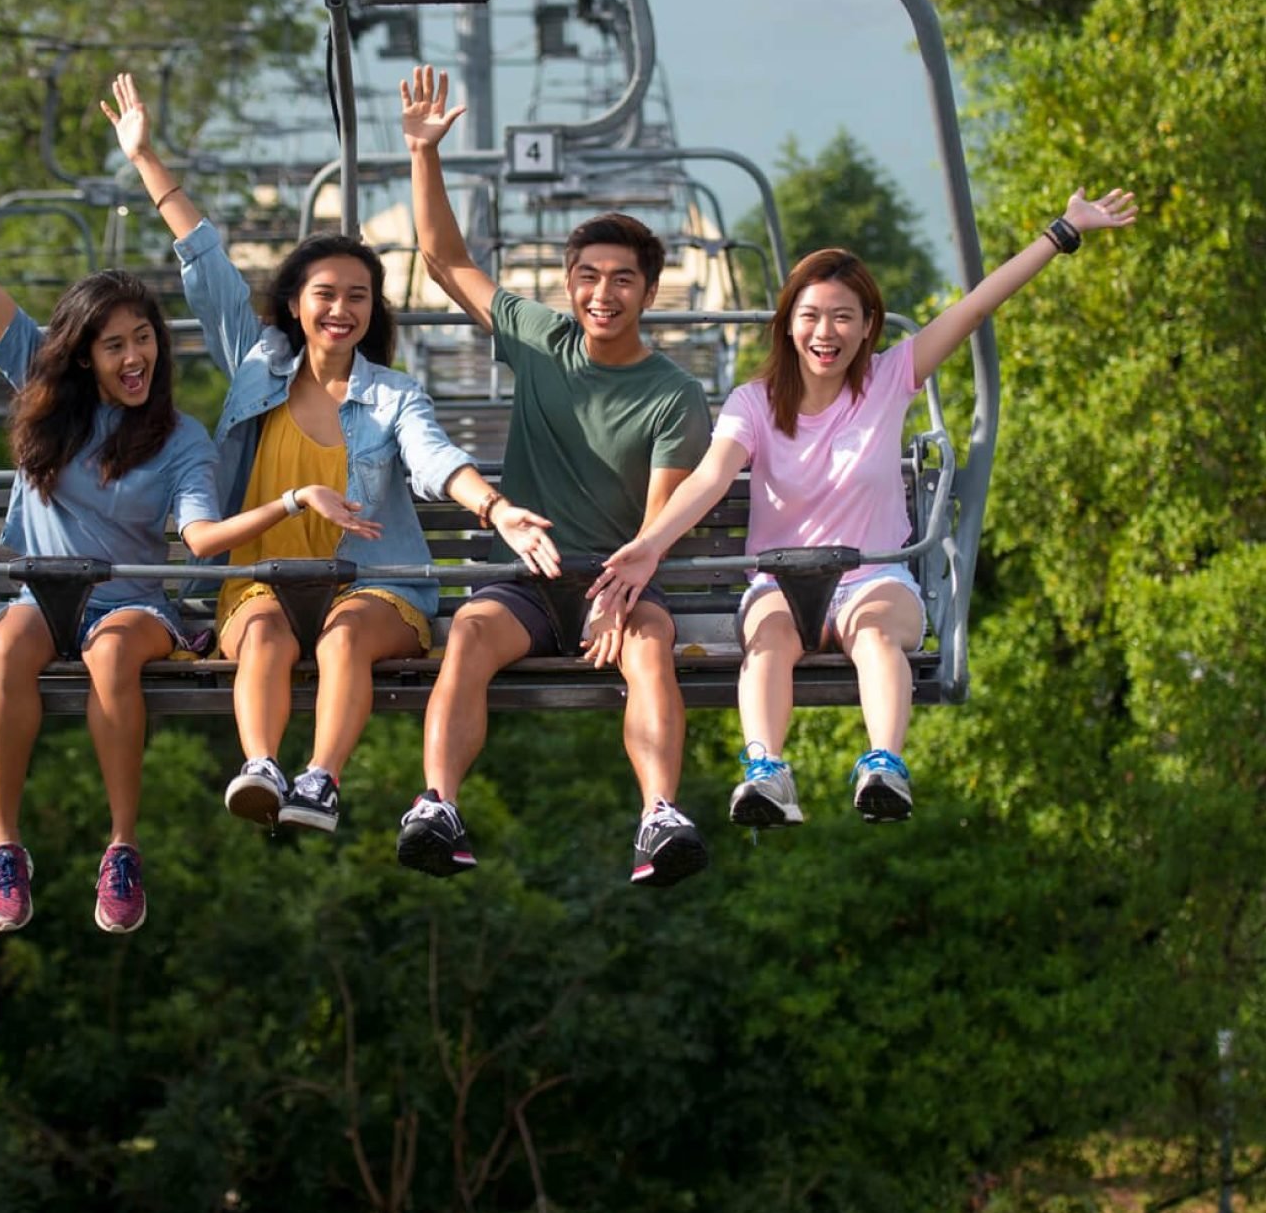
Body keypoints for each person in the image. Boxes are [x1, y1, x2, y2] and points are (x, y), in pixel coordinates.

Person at [0, 131, 378, 935]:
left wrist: (291, 499)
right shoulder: (52, 402)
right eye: (115, 345)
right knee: (10, 646)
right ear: (84, 356)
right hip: (40, 590)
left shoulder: (180, 438)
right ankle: (5, 844)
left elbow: (199, 540)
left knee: (114, 651)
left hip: (129, 603)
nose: (136, 359)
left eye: (145, 339)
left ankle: (122, 848)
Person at [591, 187, 1138, 829]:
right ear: (789, 323)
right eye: (812, 316)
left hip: (874, 575)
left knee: (876, 635)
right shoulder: (754, 402)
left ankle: (884, 765)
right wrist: (651, 543)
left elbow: (978, 305)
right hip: (781, 579)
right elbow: (711, 477)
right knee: (767, 643)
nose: (826, 334)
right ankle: (767, 772)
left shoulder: (889, 379)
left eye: (844, 317)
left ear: (868, 327)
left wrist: (1062, 232)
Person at [101, 73, 559, 835]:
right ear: (293, 303)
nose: (342, 309)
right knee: (266, 635)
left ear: (373, 309)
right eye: (326, 294)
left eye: (358, 296)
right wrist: (146, 159)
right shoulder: (258, 366)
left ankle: (319, 779)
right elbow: (205, 265)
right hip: (260, 577)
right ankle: (261, 765)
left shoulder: (392, 395)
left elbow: (434, 457)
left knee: (345, 634)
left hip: (374, 583)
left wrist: (495, 506)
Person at [394, 65, 715, 887]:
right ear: (570, 283)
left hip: (624, 582)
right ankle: (438, 803)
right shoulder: (539, 338)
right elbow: (443, 258)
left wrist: (618, 593)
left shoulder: (673, 395)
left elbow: (657, 526)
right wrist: (424, 154)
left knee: (650, 653)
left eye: (621, 280)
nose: (602, 294)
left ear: (648, 291)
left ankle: (659, 815)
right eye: (588, 277)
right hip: (530, 584)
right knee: (466, 634)